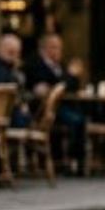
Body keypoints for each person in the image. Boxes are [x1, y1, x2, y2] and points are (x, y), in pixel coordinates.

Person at [28, 33, 85, 170]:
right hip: (44, 108)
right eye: (53, 47)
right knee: (76, 120)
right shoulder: (36, 65)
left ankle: (78, 161)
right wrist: (69, 76)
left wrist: (71, 77)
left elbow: (72, 85)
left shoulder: (61, 66)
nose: (57, 51)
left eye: (59, 48)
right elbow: (55, 87)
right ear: (43, 49)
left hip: (64, 105)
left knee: (88, 115)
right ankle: (72, 161)